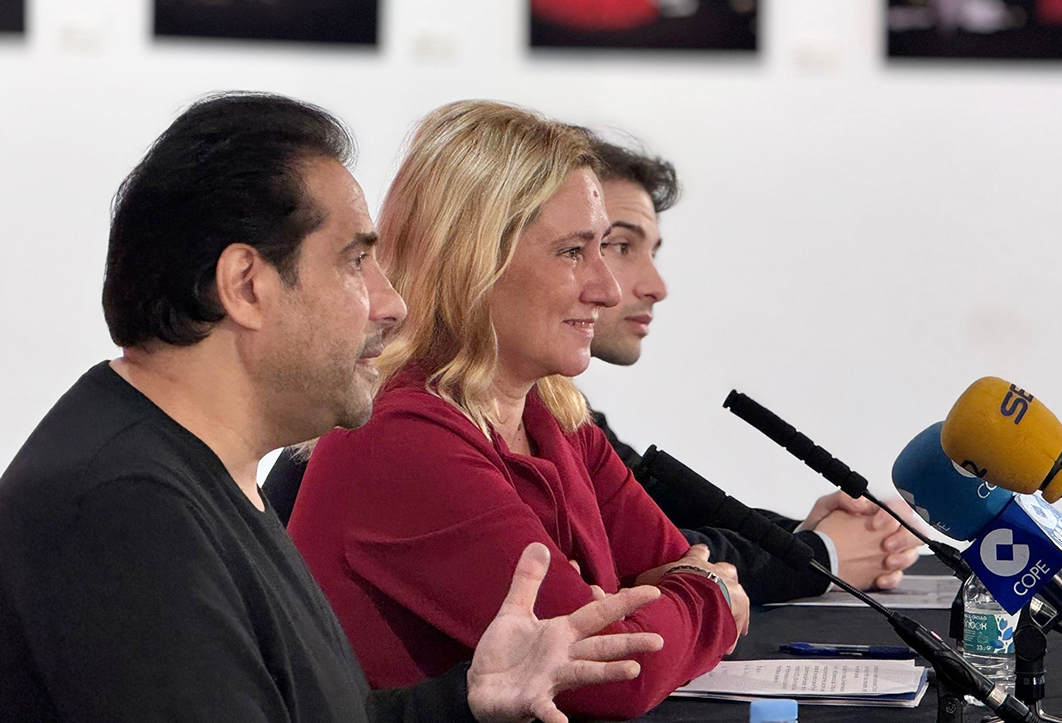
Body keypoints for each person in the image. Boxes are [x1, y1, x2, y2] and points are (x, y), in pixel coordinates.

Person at [0, 92, 666, 723]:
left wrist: (468, 697)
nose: (391, 302)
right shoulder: (128, 508)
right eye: (354, 262)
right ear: (245, 285)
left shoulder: (198, 476)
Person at [289, 100, 748, 720]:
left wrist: (673, 589)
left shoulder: (551, 416)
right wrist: (709, 590)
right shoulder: (401, 435)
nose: (607, 289)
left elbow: (664, 569)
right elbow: (616, 677)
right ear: (475, 259)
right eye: (572, 252)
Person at [586, 138, 924, 604]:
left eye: (652, 252)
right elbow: (631, 556)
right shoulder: (478, 409)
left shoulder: (559, 404)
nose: (657, 286)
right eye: (620, 246)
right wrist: (821, 554)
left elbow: (648, 506)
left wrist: (806, 536)